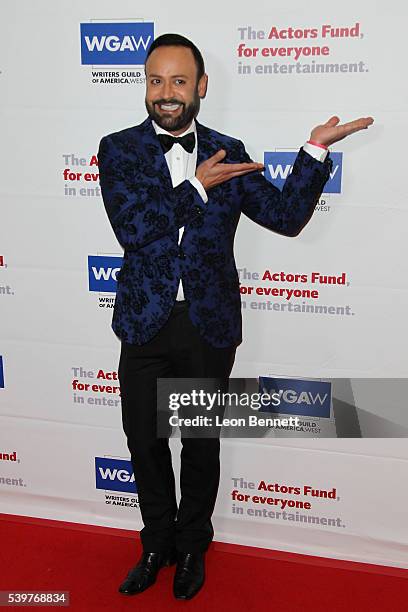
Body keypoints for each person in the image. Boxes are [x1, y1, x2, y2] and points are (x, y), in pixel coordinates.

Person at [98, 33, 373, 600]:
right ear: (144, 87)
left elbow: (286, 216)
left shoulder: (228, 146)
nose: (166, 94)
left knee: (199, 442)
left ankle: (194, 543)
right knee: (144, 442)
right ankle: (156, 544)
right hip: (144, 322)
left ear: (201, 87)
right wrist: (196, 186)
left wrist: (314, 150)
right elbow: (134, 228)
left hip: (207, 324)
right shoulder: (119, 149)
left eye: (178, 81)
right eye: (155, 81)